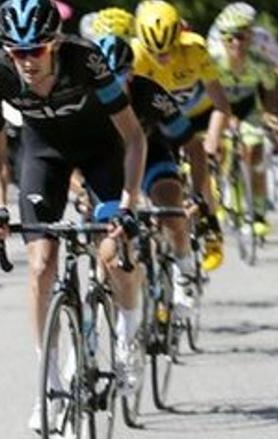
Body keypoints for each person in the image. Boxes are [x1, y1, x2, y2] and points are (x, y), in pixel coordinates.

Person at [0, 0, 146, 431]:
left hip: (101, 155)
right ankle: (49, 384)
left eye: (36, 50)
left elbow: (133, 138)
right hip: (44, 157)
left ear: (54, 44)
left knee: (111, 254)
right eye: (17, 52)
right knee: (40, 267)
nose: (26, 61)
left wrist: (128, 204)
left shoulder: (85, 59)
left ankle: (129, 333)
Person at [95, 35, 200, 317]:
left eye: (116, 79)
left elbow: (193, 145)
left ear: (130, 74)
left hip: (152, 150)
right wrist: (79, 190)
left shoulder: (150, 94)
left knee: (169, 206)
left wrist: (200, 195)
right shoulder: (85, 97)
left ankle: (183, 267)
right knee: (106, 244)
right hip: (107, 162)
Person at [130, 0, 233, 272]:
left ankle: (211, 226)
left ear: (180, 35)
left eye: (169, 50)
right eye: (155, 52)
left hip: (195, 114)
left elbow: (221, 104)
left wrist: (211, 142)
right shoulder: (134, 55)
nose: (163, 58)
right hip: (158, 122)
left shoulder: (195, 49)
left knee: (204, 162)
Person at [205, 2, 278, 239]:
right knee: (218, 149)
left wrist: (274, 115)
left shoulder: (260, 63)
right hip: (216, 108)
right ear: (222, 39)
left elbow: (270, 96)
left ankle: (259, 212)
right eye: (230, 38)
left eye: (242, 37)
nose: (237, 44)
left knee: (254, 151)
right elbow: (202, 96)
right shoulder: (212, 60)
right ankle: (222, 194)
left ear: (250, 37)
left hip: (247, 107)